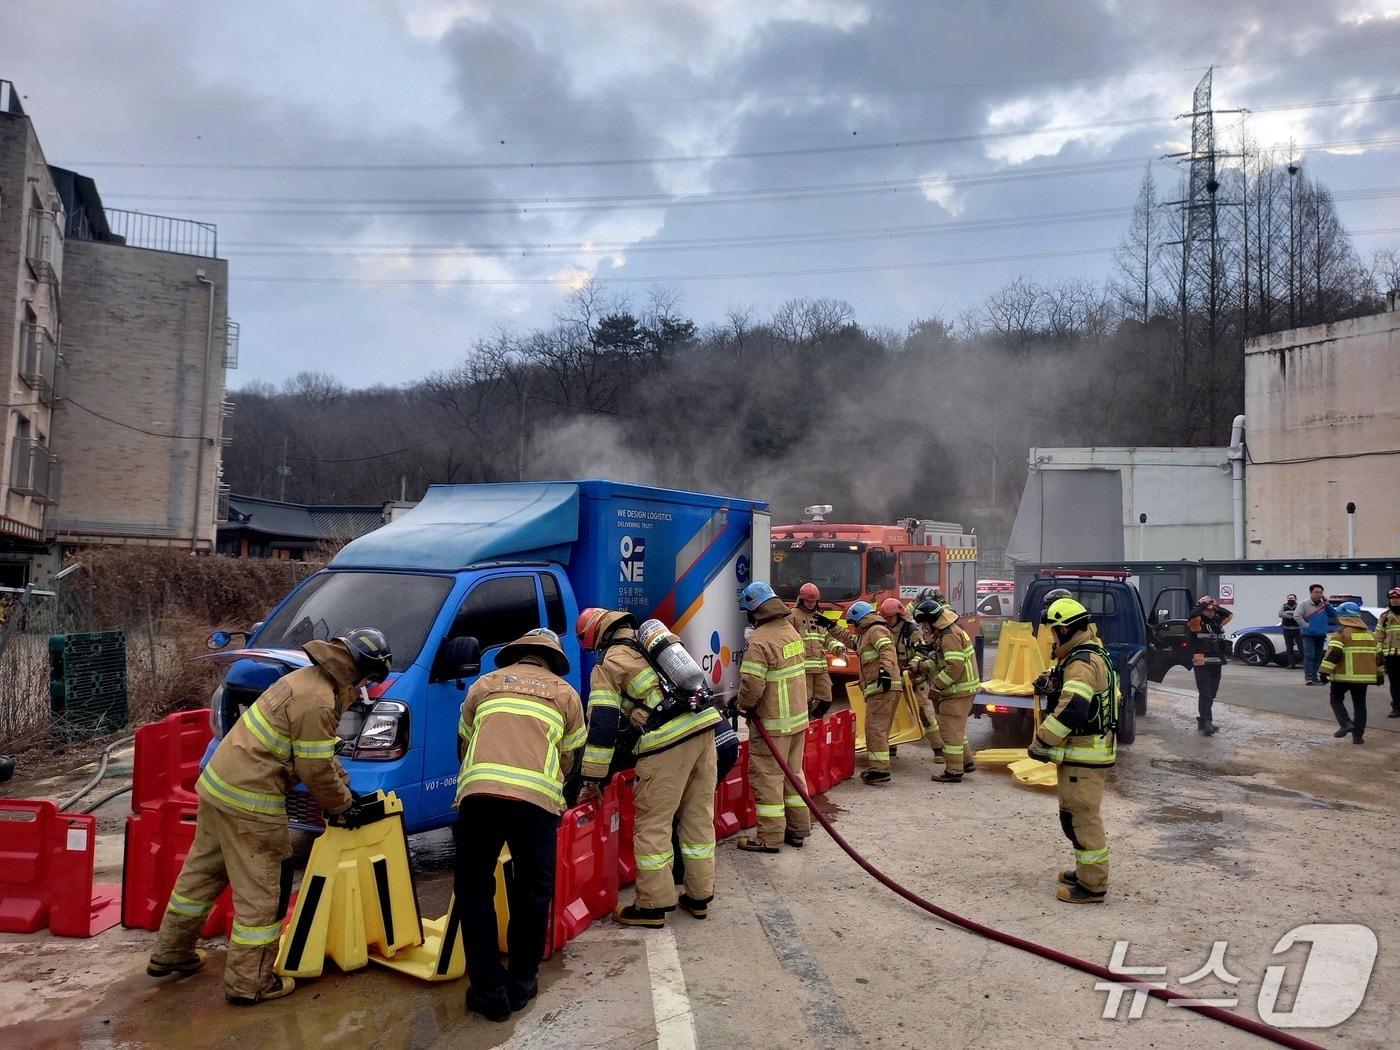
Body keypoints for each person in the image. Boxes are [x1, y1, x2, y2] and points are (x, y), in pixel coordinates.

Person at [148, 629, 392, 1005]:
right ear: (360, 672)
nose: (366, 689)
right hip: (251, 802)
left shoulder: (302, 681)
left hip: (218, 787)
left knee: (199, 879)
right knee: (263, 892)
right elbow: (314, 768)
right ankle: (251, 983)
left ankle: (170, 953)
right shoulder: (319, 702)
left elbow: (322, 756)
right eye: (370, 680)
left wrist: (346, 791)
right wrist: (343, 806)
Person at [453, 629, 584, 1022]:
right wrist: (550, 790)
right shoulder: (566, 694)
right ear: (550, 660)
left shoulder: (485, 685)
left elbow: (463, 741)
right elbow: (570, 757)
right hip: (536, 805)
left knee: (474, 891)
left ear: (518, 655)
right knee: (532, 892)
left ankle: (488, 990)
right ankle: (522, 981)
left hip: (479, 797)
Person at [575, 608, 720, 927]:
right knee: (697, 817)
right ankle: (698, 897)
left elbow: (602, 725)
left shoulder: (609, 662)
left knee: (653, 823)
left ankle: (652, 906)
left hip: (666, 742)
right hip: (704, 728)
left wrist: (592, 779)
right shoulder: (654, 644)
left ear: (597, 636)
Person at [1028, 598, 1118, 904]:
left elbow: (1075, 708)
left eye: (1054, 631)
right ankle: (1085, 871)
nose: (1052, 637)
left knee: (1082, 817)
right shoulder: (1085, 654)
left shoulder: (1081, 661)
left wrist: (1042, 741)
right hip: (1083, 753)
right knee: (1073, 815)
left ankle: (1092, 885)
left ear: (1064, 630)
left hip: (1084, 754)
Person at [735, 581, 811, 850]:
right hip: (797, 721)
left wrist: (743, 705)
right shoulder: (790, 631)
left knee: (768, 779)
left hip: (773, 724)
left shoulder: (759, 641)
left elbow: (752, 685)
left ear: (754, 611)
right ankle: (798, 829)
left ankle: (769, 838)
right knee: (794, 774)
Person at [913, 599, 980, 784]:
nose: (924, 628)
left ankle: (954, 771)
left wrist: (936, 687)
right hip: (962, 690)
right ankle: (966, 762)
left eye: (924, 624)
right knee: (956, 729)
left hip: (958, 691)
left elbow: (953, 667)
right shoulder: (947, 632)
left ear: (930, 620)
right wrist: (920, 666)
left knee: (949, 731)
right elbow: (940, 661)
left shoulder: (949, 636)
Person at [839, 600, 900, 784]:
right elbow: (850, 640)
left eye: (853, 624)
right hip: (885, 687)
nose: (853, 628)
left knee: (874, 728)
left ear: (859, 621)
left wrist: (885, 671)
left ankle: (880, 770)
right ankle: (880, 766)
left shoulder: (875, 631)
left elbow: (887, 650)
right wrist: (830, 627)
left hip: (882, 686)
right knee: (880, 728)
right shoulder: (868, 633)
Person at [1318, 603, 1383, 745]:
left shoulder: (1340, 633)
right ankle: (1358, 737)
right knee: (1360, 706)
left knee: (1335, 699)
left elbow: (1334, 654)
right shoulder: (1370, 635)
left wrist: (1324, 672)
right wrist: (1380, 675)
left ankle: (1345, 723)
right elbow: (1379, 657)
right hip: (1363, 678)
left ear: (1343, 617)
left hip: (1342, 676)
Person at [891, 598, 947, 761]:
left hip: (916, 680)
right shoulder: (884, 629)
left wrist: (914, 664)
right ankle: (891, 748)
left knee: (926, 714)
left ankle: (939, 749)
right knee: (893, 714)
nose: (888, 621)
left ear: (897, 616)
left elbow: (922, 650)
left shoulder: (911, 630)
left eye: (890, 617)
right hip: (897, 680)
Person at [787, 582, 845, 719]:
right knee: (803, 702)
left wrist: (838, 650)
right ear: (801, 600)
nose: (811, 604)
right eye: (808, 601)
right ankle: (807, 726)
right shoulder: (792, 616)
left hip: (820, 668)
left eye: (814, 601)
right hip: (803, 669)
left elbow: (827, 638)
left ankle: (813, 720)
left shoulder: (819, 617)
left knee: (826, 700)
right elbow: (786, 640)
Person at [1187, 596, 1233, 736]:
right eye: (1208, 610)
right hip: (1201, 661)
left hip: (1216, 661)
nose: (1211, 612)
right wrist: (1202, 605)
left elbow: (1229, 615)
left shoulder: (1217, 622)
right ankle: (1207, 721)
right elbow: (1193, 615)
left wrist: (1215, 606)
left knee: (1212, 692)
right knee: (1205, 692)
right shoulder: (1196, 622)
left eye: (1213, 610)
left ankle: (1202, 720)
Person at [1298, 584, 1338, 685]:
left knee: (1318, 656)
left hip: (1320, 634)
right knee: (1309, 655)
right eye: (1316, 592)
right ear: (1311, 593)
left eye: (1320, 592)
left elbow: (1333, 614)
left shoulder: (1324, 605)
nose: (1319, 594)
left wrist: (1327, 603)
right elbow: (1297, 616)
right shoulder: (1304, 604)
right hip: (1308, 635)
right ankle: (1309, 677)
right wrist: (1306, 626)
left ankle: (1315, 676)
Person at [1379, 587, 1400, 718]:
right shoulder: (1385, 616)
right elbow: (1379, 635)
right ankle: (1397, 707)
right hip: (1392, 656)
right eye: (1392, 599)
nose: (1395, 601)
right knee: (1395, 683)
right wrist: (1378, 653)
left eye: (1398, 598)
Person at [1278, 594, 1304, 669]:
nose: (1290, 599)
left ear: (1295, 599)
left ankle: (1304, 664)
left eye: (1292, 598)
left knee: (1301, 648)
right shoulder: (1284, 606)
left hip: (1297, 629)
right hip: (1287, 629)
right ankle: (1291, 664)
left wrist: (1287, 613)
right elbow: (1280, 614)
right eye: (1289, 598)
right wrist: (1291, 616)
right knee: (1289, 648)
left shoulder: (1299, 606)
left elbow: (1300, 614)